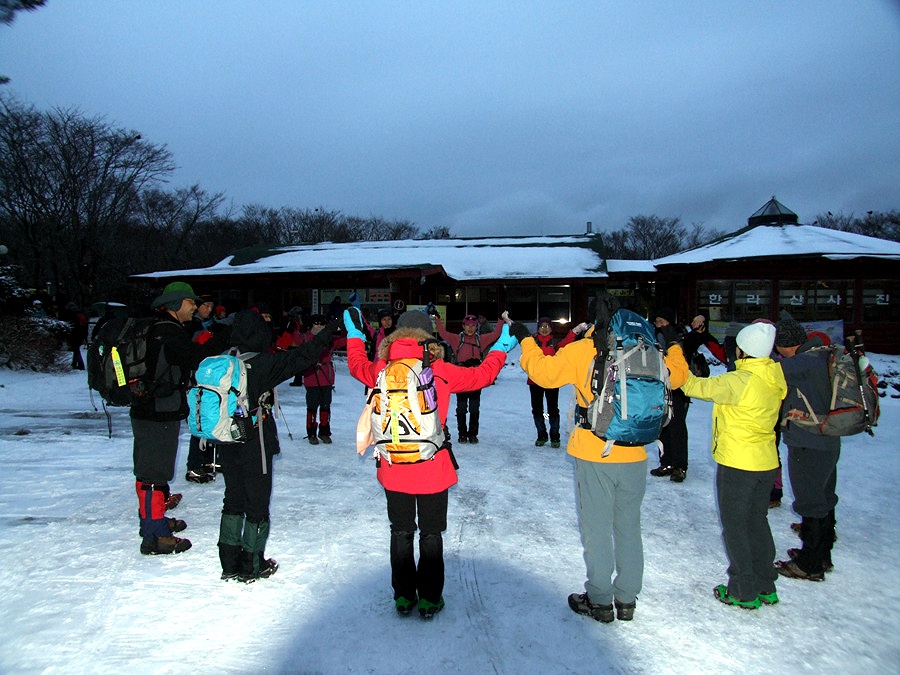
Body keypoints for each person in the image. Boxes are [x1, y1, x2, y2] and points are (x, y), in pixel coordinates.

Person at [514, 296, 689, 623]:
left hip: (595, 452)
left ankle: (599, 599)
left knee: (596, 530)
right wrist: (675, 344)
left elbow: (543, 373)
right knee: (628, 527)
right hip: (635, 452)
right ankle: (626, 599)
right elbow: (677, 377)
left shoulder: (586, 348)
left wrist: (526, 340)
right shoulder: (648, 350)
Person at [344, 308, 518, 618]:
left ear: (397, 335)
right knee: (430, 534)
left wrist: (356, 336)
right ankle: (429, 598)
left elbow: (356, 365)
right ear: (428, 337)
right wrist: (502, 347)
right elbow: (483, 376)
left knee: (400, 531)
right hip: (433, 466)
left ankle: (403, 596)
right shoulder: (439, 369)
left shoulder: (382, 368)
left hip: (394, 466)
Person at [217, 309, 339, 582]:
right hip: (255, 440)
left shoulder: (224, 360)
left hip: (226, 438)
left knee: (233, 496)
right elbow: (303, 357)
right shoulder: (261, 364)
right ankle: (251, 563)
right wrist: (330, 331)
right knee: (257, 501)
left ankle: (228, 561)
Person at [681, 321, 787, 609]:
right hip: (765, 462)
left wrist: (675, 359)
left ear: (743, 350)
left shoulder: (738, 381)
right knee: (756, 521)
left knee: (736, 526)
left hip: (738, 463)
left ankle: (742, 589)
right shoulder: (773, 375)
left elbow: (692, 385)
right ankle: (766, 585)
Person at [131, 282, 228, 555]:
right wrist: (223, 337)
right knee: (153, 474)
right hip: (158, 411)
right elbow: (196, 358)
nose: (195, 307)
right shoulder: (168, 332)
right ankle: (155, 535)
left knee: (152, 470)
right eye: (190, 302)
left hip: (150, 408)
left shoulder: (159, 328)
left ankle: (153, 520)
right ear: (175, 303)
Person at [773, 312, 839, 582]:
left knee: (811, 503)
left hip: (807, 442)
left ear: (784, 345)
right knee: (824, 497)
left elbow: (761, 375)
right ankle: (823, 555)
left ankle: (810, 564)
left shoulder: (798, 365)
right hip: (829, 439)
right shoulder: (823, 355)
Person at [433, 312, 504, 444]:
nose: (470, 328)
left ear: (476, 326)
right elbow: (443, 334)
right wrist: (437, 319)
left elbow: (495, 335)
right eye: (467, 325)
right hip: (460, 376)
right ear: (463, 326)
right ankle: (462, 434)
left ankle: (472, 434)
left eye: (473, 325)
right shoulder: (457, 339)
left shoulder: (480, 340)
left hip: (476, 377)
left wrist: (500, 319)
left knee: (474, 407)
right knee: (461, 407)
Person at [185, 295, 224, 484]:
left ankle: (209, 459)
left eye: (211, 306)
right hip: (196, 377)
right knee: (199, 418)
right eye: (205, 306)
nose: (208, 309)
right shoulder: (191, 326)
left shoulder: (210, 324)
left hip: (209, 376)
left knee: (210, 416)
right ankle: (195, 464)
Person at [527, 317, 583, 447]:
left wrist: (576, 330)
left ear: (551, 328)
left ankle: (555, 436)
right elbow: (522, 340)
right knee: (537, 410)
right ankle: (541, 435)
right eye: (542, 326)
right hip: (534, 381)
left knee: (552, 410)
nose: (544, 329)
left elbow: (567, 342)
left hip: (552, 381)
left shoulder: (555, 342)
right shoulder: (533, 342)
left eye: (547, 326)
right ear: (538, 328)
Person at [650, 308, 690, 482]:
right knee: (662, 425)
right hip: (660, 385)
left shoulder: (680, 336)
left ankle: (680, 466)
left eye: (662, 321)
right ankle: (666, 461)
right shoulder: (653, 335)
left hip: (678, 387)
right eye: (657, 321)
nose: (659, 324)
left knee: (677, 427)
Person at [294, 314, 346, 445]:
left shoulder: (330, 339)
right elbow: (295, 338)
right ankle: (311, 432)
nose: (318, 326)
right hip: (311, 376)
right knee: (312, 406)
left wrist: (345, 328)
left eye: (321, 324)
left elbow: (345, 340)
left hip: (326, 376)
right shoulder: (306, 337)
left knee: (325, 405)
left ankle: (324, 431)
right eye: (316, 324)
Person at [64, 301, 88, 370]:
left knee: (76, 350)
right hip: (82, 334)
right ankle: (74, 363)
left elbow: (70, 325)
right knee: (76, 349)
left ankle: (81, 365)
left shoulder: (71, 314)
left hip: (75, 334)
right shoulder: (80, 314)